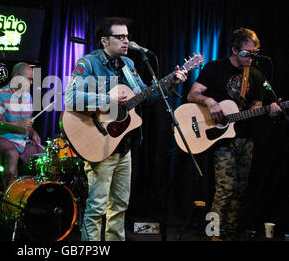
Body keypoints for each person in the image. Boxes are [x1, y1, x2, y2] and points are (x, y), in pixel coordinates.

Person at [64, 17, 188, 241]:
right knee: (96, 209)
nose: (126, 41)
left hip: (124, 145)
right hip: (99, 143)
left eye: (127, 36)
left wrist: (171, 83)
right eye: (120, 37)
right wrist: (106, 97)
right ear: (104, 41)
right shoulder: (89, 63)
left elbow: (144, 98)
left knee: (119, 206)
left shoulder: (128, 65)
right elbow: (70, 98)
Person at [187, 27, 281, 241]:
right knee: (225, 188)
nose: (251, 58)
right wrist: (210, 102)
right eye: (248, 53)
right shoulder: (215, 68)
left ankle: (229, 233)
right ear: (234, 50)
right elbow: (193, 94)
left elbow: (255, 106)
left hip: (245, 137)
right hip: (220, 138)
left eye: (255, 53)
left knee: (240, 188)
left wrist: (268, 110)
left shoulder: (256, 75)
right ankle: (213, 234)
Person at [0, 62, 43, 188]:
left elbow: (26, 123)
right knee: (13, 154)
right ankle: (8, 198)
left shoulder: (28, 97)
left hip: (23, 141)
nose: (31, 83)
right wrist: (18, 124)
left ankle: (32, 195)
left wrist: (33, 132)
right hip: (2, 139)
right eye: (29, 79)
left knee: (44, 156)